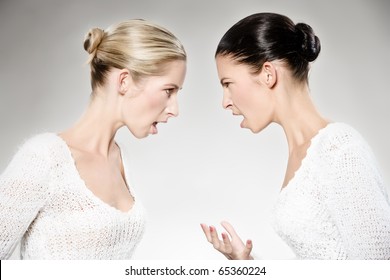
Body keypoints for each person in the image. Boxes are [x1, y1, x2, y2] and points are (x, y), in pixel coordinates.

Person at [201, 12, 390, 260]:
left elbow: (380, 262)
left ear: (268, 74)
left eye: (227, 84)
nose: (225, 102)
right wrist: (248, 264)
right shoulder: (302, 152)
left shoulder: (339, 150)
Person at [0, 19, 186, 259]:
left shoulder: (119, 158)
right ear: (124, 81)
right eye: (168, 91)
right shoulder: (44, 157)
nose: (175, 109)